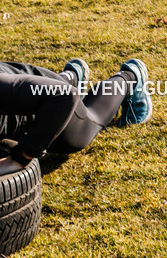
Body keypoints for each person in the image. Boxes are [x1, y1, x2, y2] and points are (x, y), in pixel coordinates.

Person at [0, 56, 152, 176]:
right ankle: (72, 77)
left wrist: (20, 158)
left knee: (89, 124)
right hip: (31, 85)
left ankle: (130, 77)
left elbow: (64, 95)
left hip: (48, 106)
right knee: (49, 89)